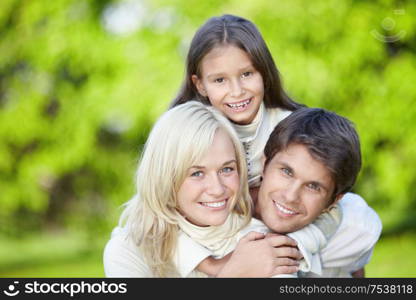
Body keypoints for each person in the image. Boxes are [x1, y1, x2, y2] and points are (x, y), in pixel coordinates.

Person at [169, 14, 382, 276]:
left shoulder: (287, 126)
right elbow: (157, 210)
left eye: (246, 74)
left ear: (265, 73)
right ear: (199, 84)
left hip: (293, 228)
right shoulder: (187, 133)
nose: (237, 91)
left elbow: (331, 201)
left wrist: (301, 242)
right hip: (221, 236)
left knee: (361, 220)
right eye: (220, 80)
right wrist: (212, 265)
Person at [103, 101, 302, 277]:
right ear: (165, 178)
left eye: (227, 169)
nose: (217, 189)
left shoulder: (257, 241)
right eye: (197, 173)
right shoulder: (128, 251)